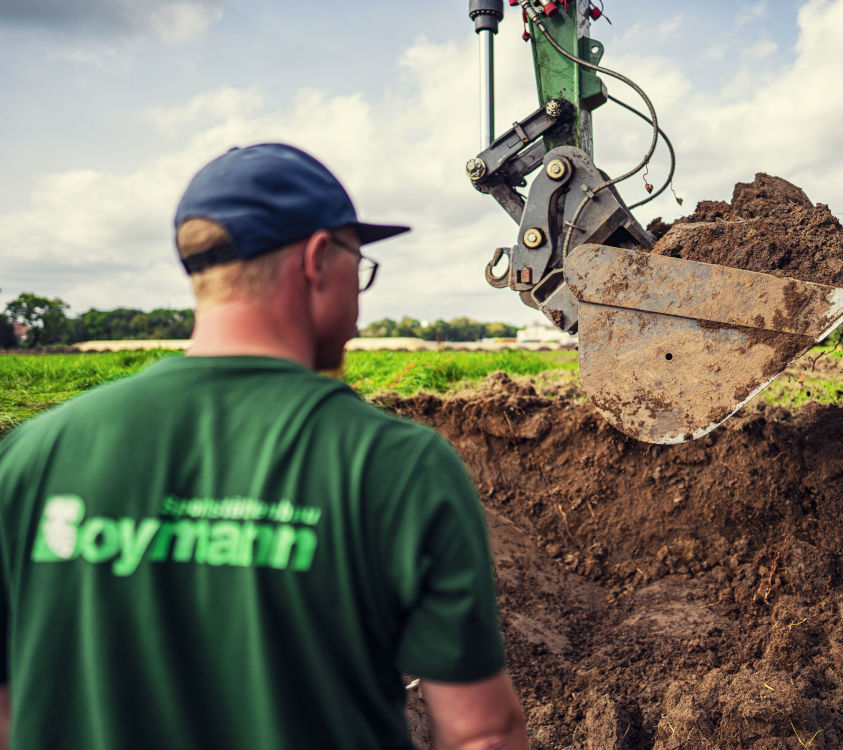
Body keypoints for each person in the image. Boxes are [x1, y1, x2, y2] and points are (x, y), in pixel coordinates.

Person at [0, 143, 527, 750]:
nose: (359, 302)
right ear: (318, 258)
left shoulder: (29, 457)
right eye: (359, 264)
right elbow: (479, 733)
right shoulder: (398, 467)